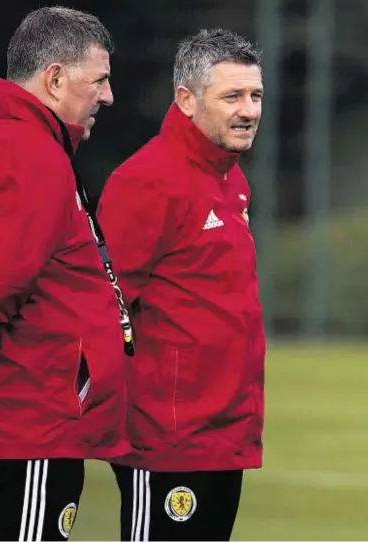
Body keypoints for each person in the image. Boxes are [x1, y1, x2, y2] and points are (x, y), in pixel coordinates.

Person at [0, 7, 133, 541]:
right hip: (19, 426)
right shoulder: (31, 154)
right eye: (99, 79)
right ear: (53, 78)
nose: (109, 96)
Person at [98, 29, 266, 541]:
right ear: (187, 101)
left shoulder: (230, 179)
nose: (249, 110)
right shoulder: (147, 182)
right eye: (232, 96)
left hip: (223, 432)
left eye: (256, 95)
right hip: (167, 440)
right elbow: (105, 305)